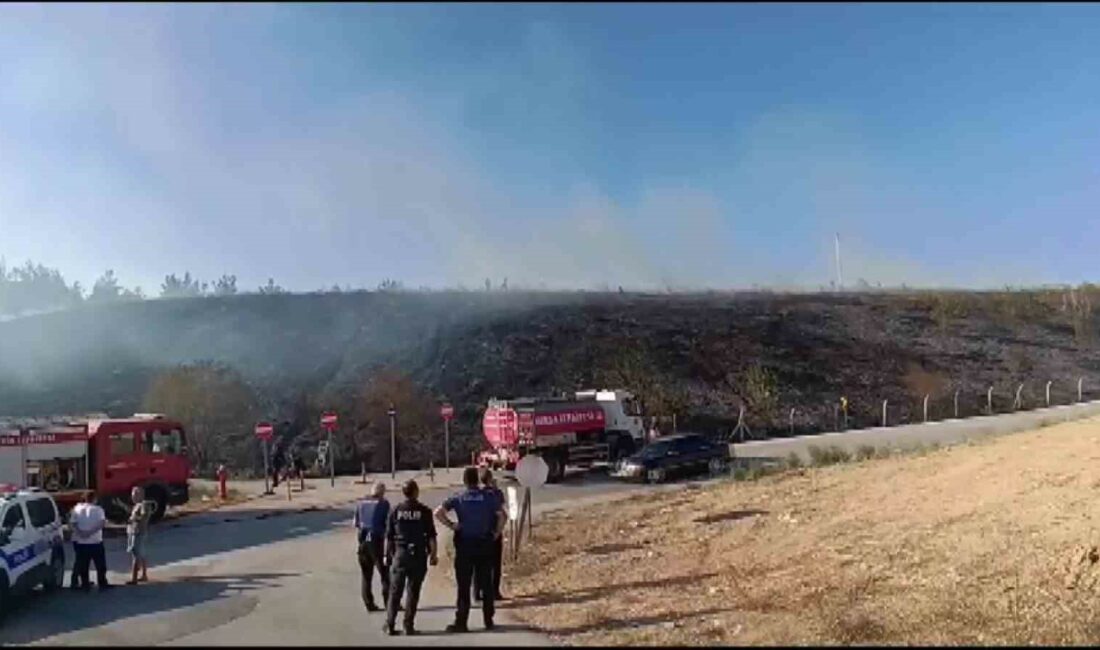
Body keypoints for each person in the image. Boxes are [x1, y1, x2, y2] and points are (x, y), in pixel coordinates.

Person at [434, 466, 505, 633]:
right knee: (486, 582)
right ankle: (488, 619)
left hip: (465, 545)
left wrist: (452, 525)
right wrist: (496, 533)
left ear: (464, 481)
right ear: (477, 480)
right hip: (485, 544)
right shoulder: (488, 497)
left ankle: (462, 621)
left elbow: (438, 512)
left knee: (464, 585)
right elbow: (502, 516)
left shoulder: (459, 497)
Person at [383, 479, 437, 636]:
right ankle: (408, 625)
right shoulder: (425, 511)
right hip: (419, 554)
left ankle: (390, 624)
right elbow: (431, 537)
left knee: (395, 591)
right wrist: (433, 555)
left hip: (400, 554)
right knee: (413, 591)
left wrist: (387, 555)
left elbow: (389, 537)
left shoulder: (395, 511)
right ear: (416, 492)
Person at [354, 482, 391, 612]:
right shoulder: (383, 504)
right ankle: (390, 603)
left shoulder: (361, 503)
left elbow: (357, 523)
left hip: (363, 540)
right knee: (385, 573)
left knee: (366, 575)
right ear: (382, 492)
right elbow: (388, 524)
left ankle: (369, 603)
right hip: (376, 541)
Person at [70, 491, 113, 591]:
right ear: (95, 499)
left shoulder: (77, 508)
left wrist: (81, 533)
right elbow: (101, 523)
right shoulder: (98, 510)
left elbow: (73, 524)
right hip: (96, 541)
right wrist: (90, 532)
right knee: (100, 564)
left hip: (81, 542)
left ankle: (85, 584)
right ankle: (102, 583)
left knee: (83, 564)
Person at [475, 468, 506, 602]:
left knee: (479, 563)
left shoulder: (477, 493)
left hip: (479, 533)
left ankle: (477, 591)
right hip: (493, 531)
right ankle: (495, 591)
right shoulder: (496, 494)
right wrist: (498, 532)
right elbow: (502, 513)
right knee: (495, 564)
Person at [126, 485, 151, 585]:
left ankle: (134, 578)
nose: (133, 496)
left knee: (136, 554)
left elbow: (144, 516)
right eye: (132, 494)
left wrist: (133, 519)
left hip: (138, 532)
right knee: (141, 553)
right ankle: (144, 575)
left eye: (135, 494)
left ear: (141, 494)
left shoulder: (143, 504)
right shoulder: (137, 505)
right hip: (135, 531)